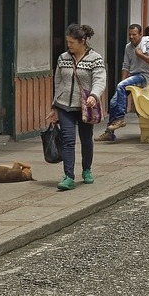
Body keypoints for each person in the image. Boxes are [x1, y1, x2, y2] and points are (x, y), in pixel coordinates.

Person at [45, 22, 107, 190]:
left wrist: (94, 95)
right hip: (65, 105)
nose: (69, 45)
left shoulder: (95, 59)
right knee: (68, 140)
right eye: (68, 42)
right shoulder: (63, 58)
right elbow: (58, 82)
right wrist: (54, 106)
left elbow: (100, 80)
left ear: (83, 41)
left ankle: (87, 169)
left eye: (72, 42)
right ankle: (68, 176)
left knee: (86, 139)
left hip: (85, 107)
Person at [100, 23, 149, 141]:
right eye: (130, 34)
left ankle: (120, 118)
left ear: (140, 34)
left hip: (144, 76)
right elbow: (125, 66)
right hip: (132, 76)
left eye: (134, 34)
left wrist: (140, 55)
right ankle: (109, 132)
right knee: (114, 102)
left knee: (121, 88)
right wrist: (123, 82)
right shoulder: (128, 47)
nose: (132, 37)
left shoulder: (147, 44)